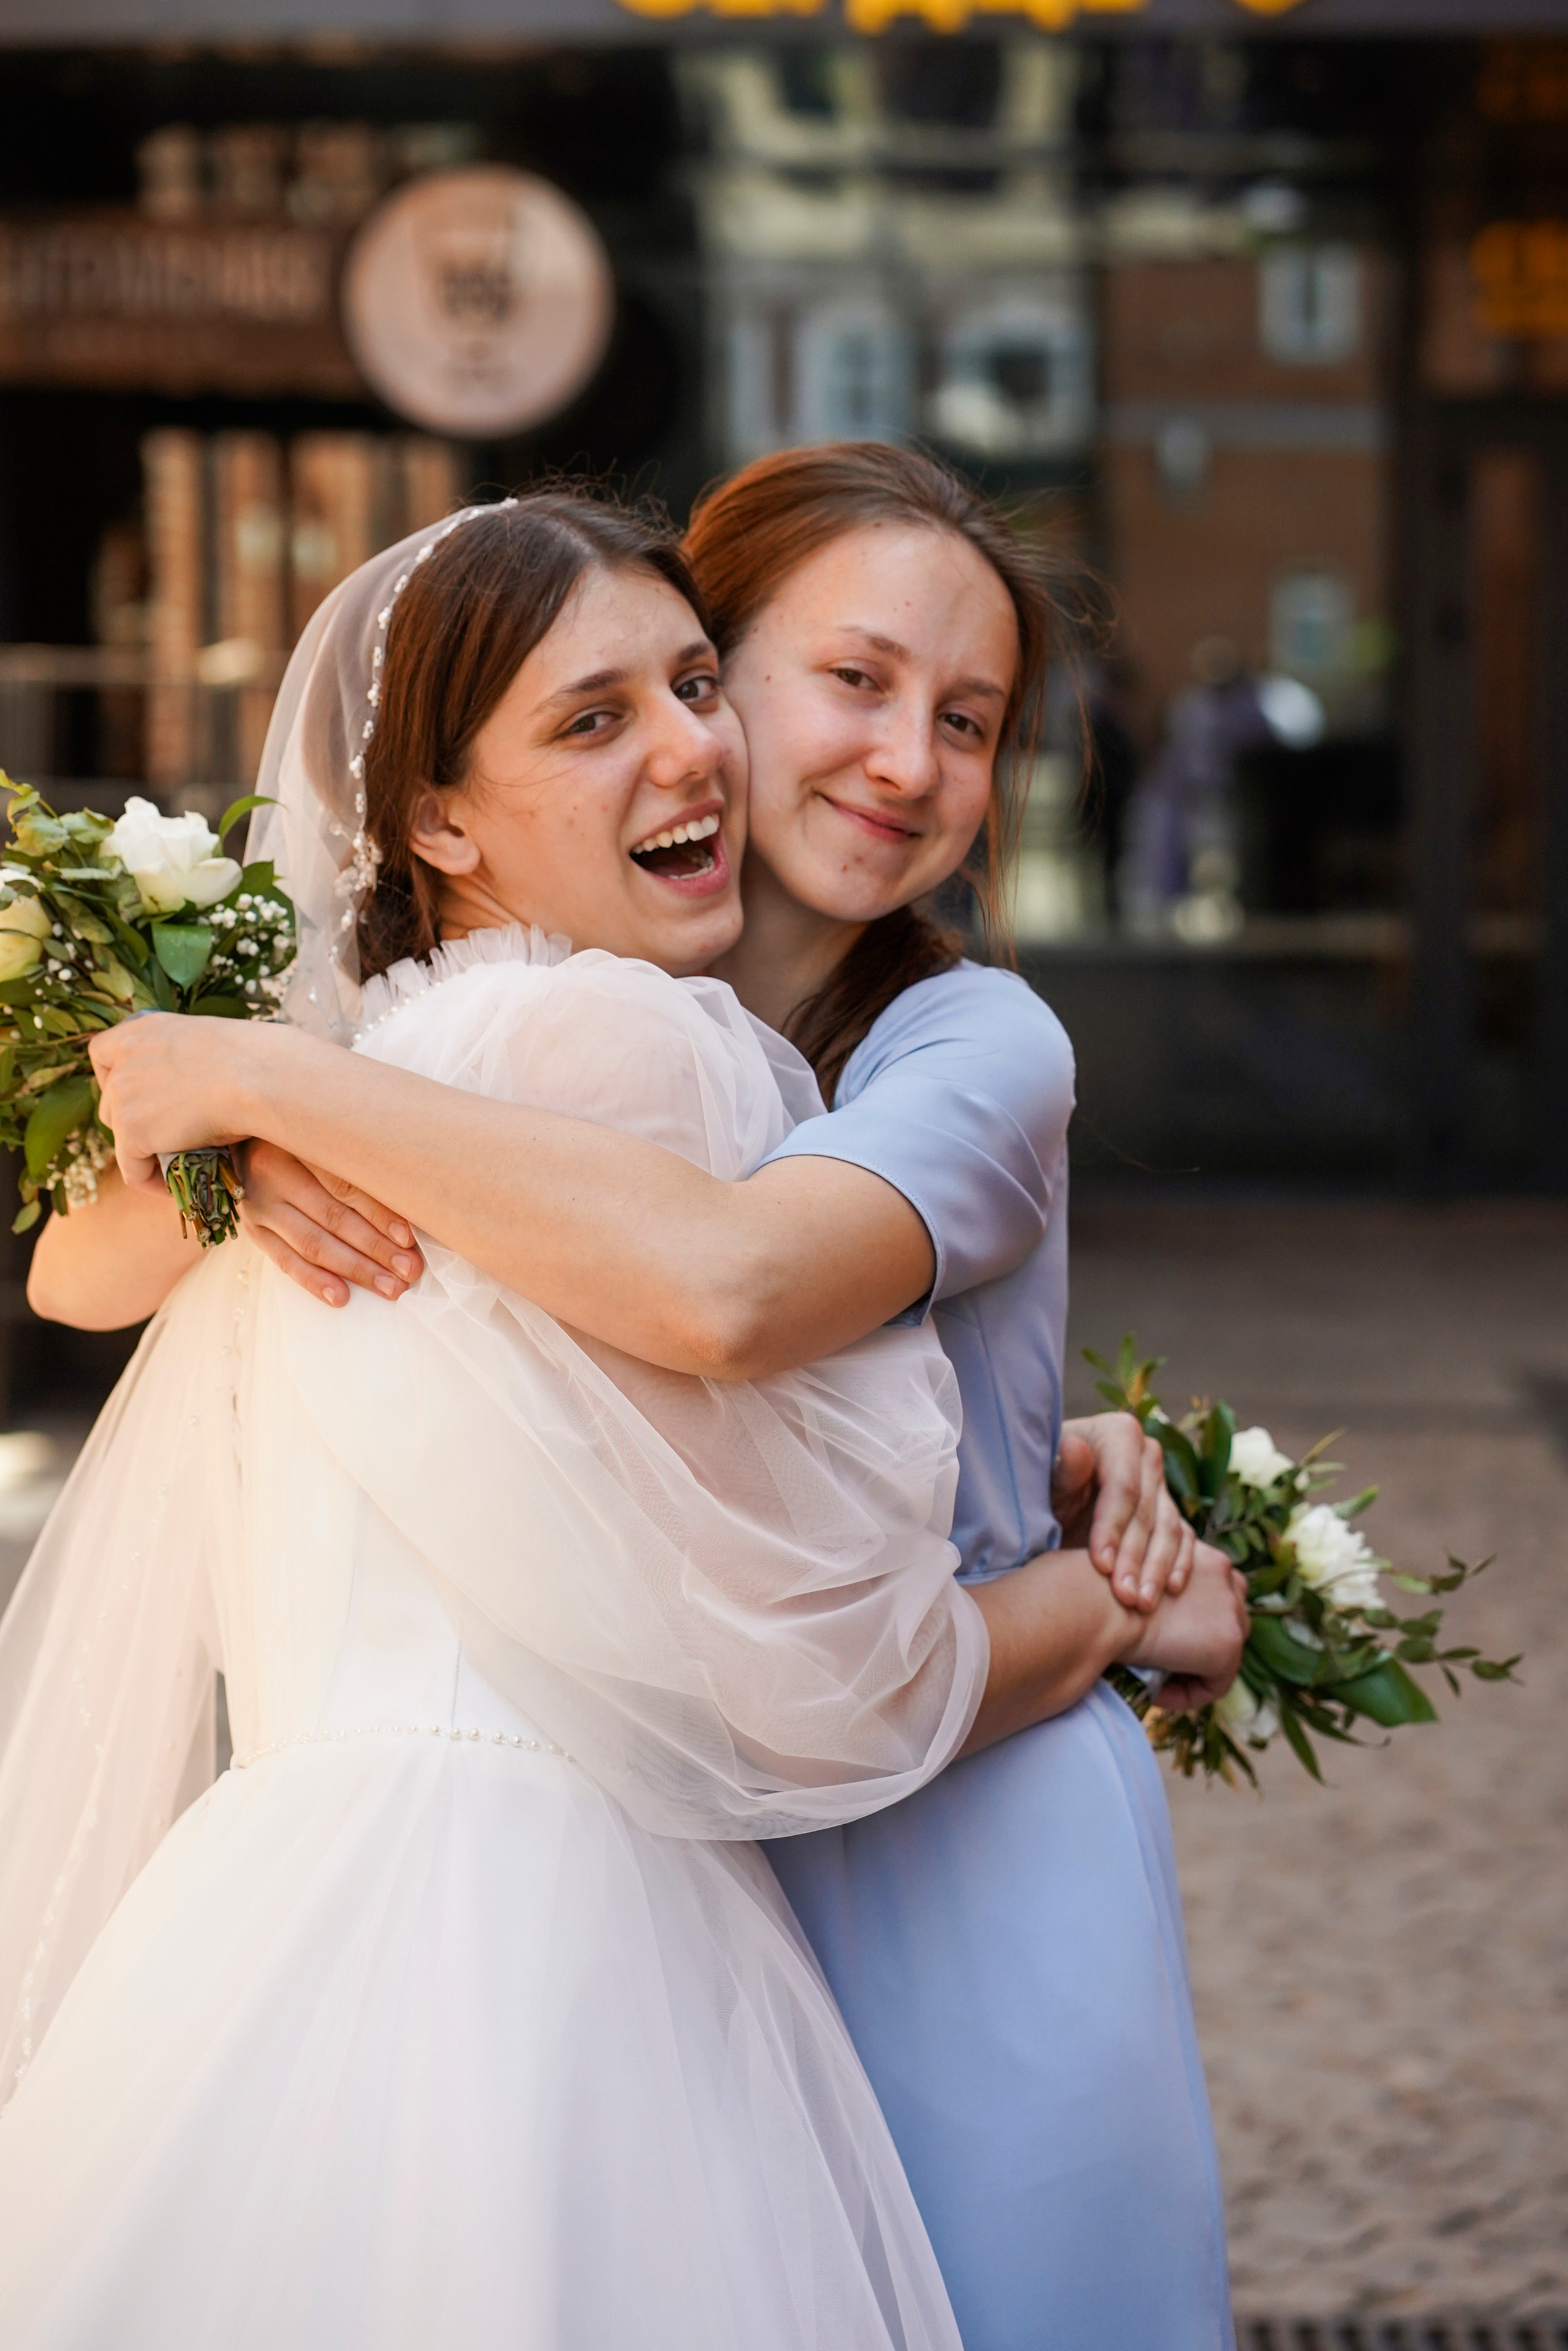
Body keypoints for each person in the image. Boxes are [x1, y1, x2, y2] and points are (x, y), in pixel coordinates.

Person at [57, 451, 1246, 2351]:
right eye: (844, 683)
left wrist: (278, 1091)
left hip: (934, 1842)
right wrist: (240, 1134)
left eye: (971, 722)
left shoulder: (968, 1037)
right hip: (680, 1840)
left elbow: (728, 1288)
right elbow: (75, 1267)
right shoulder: (542, 1024)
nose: (909, 761)